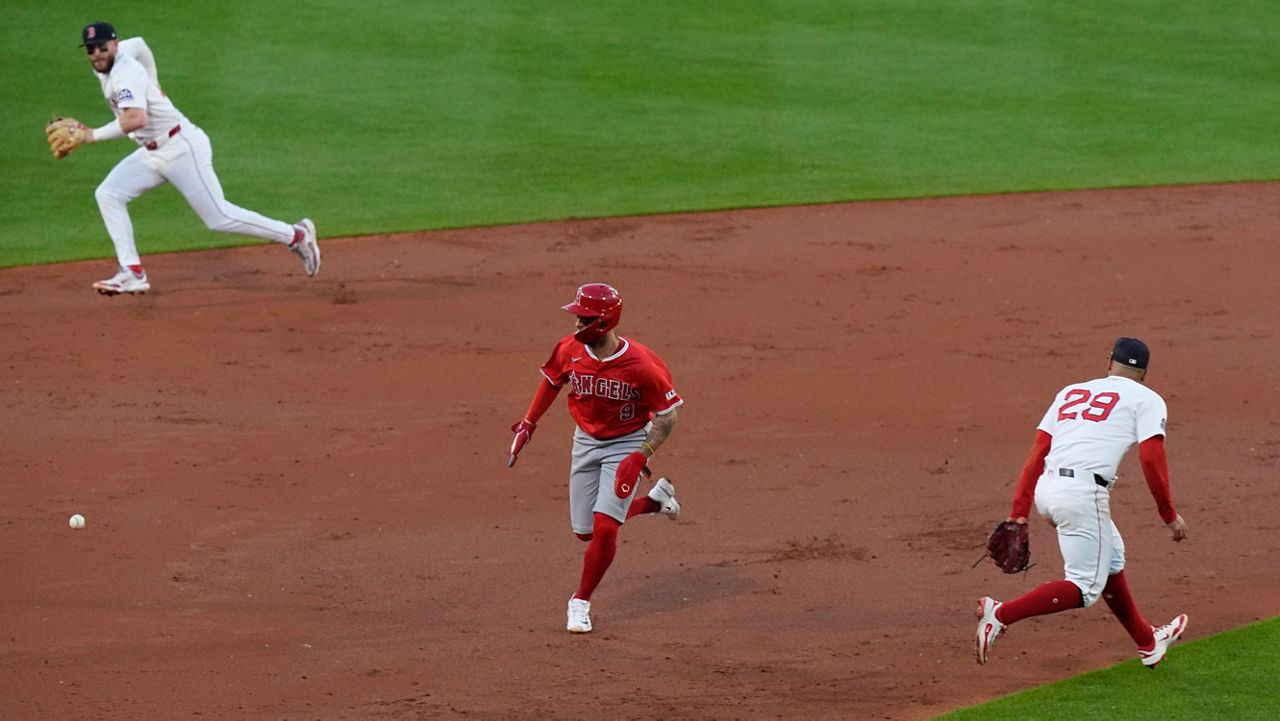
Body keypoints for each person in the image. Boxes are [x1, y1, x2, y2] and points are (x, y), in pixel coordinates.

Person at [976, 337, 1190, 668]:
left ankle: (1148, 643)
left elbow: (1038, 451)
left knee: (1112, 558)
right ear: (1144, 374)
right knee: (1085, 588)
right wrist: (1169, 515)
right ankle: (1000, 614)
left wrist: (1019, 512)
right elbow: (1151, 459)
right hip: (1082, 496)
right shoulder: (1148, 399)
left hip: (1047, 490)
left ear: (1109, 363)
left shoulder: (1070, 392)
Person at [61, 21, 319, 295]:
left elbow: (136, 118)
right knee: (109, 193)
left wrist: (91, 135)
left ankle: (296, 235)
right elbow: (140, 44)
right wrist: (153, 80)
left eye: (102, 47)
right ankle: (132, 272)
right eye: (91, 49)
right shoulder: (113, 59)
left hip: (181, 148)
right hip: (152, 152)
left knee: (219, 217)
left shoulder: (124, 73)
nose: (97, 53)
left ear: (114, 44)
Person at [508, 282, 683, 633]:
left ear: (603, 322)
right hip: (585, 440)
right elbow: (551, 382)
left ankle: (580, 601)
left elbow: (668, 416)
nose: (576, 326)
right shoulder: (569, 349)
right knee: (585, 532)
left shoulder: (642, 365)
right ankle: (652, 502)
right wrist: (529, 422)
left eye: (583, 319)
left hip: (626, 442)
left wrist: (640, 454)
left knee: (605, 529)